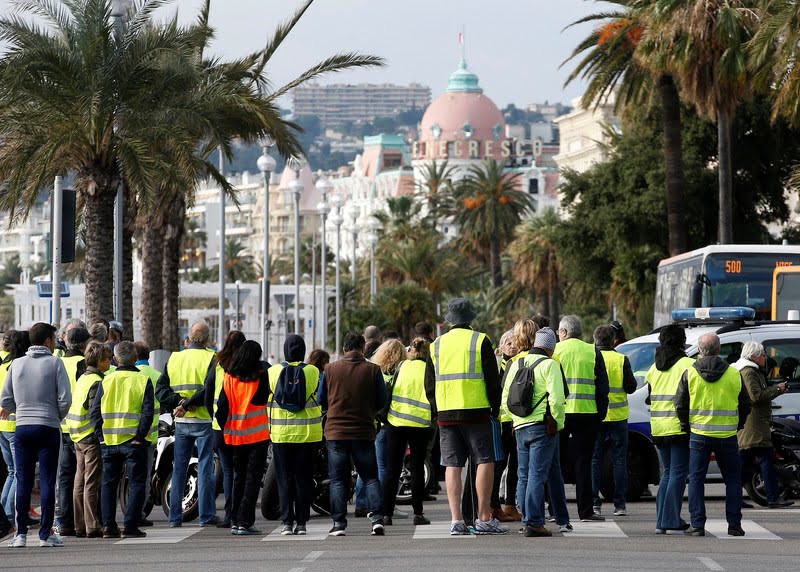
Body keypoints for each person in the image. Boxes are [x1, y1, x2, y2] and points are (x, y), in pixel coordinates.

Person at [428, 298, 506, 535]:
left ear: (449, 320)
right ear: (470, 318)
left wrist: (437, 410)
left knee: (452, 464)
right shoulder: (480, 340)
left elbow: (429, 385)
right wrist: (495, 409)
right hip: (477, 412)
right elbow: (493, 381)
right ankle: (483, 517)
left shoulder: (436, 345)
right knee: (485, 460)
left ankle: (456, 520)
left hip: (446, 413)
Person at [0, 322, 71, 547]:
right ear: (48, 341)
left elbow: (5, 400)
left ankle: (20, 535)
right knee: (49, 481)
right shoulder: (55, 363)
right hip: (48, 426)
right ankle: (45, 534)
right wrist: (54, 415)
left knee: (23, 480)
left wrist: (18, 410)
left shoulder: (17, 364)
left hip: (22, 427)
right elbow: (65, 399)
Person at [675, 332, 751, 537]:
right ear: (719, 350)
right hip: (727, 435)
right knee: (733, 480)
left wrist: (686, 426)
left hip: (699, 434)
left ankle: (698, 525)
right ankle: (734, 525)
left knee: (697, 480)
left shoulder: (690, 373)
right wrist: (738, 424)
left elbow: (680, 404)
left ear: (700, 351)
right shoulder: (734, 374)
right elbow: (746, 404)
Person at [319, 331, 387, 537]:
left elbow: (322, 400)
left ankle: (339, 524)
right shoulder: (373, 370)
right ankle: (376, 519)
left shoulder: (330, 370)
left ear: (344, 349)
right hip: (363, 432)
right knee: (370, 477)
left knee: (338, 480)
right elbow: (382, 400)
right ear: (363, 348)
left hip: (336, 433)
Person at [156, 321, 218, 527]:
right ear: (207, 339)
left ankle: (175, 518)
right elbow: (208, 390)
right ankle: (206, 516)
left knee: (179, 469)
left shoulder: (175, 358)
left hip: (181, 420)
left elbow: (161, 390)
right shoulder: (212, 358)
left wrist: (179, 403)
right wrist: (188, 403)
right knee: (205, 468)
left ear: (189, 338)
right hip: (204, 420)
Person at [90, 341, 153, 539]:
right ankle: (130, 525)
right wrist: (140, 436)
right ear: (135, 358)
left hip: (109, 441)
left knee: (108, 484)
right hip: (133, 442)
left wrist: (101, 437)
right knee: (136, 483)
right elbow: (147, 412)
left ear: (116, 359)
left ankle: (109, 526)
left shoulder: (106, 380)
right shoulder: (143, 380)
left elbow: (94, 413)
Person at [511, 327, 567, 537]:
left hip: (520, 426)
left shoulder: (518, 362)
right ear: (550, 347)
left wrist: (516, 420)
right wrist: (558, 423)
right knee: (537, 475)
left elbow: (507, 397)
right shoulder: (549, 365)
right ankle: (534, 522)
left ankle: (526, 518)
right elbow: (557, 399)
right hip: (542, 427)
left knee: (523, 475)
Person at [553, 315, 609, 522]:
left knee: (555, 464)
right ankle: (585, 511)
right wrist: (600, 415)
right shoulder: (592, 350)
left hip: (560, 414)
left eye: (559, 332)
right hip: (587, 414)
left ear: (565, 333)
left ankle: (554, 511)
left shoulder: (555, 351)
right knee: (583, 464)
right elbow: (603, 387)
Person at [267, 335, 322, 536]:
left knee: (284, 479)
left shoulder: (272, 372)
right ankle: (301, 523)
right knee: (304, 479)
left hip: (281, 434)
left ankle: (286, 523)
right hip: (307, 435)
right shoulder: (313, 371)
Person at [215, 340, 271, 535]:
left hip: (235, 436)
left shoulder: (228, 377)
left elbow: (222, 406)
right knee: (253, 479)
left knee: (238, 478)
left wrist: (224, 429)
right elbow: (264, 398)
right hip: (257, 436)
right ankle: (245, 522)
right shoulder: (260, 377)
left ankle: (235, 520)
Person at [645, 324, 695, 535]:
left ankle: (661, 521)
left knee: (667, 473)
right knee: (678, 473)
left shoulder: (653, 367)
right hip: (679, 425)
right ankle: (671, 520)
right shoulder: (689, 365)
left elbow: (649, 395)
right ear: (682, 341)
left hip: (658, 425)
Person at [734, 342, 793, 508]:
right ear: (753, 356)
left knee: (745, 463)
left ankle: (736, 498)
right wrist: (777, 389)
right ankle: (773, 497)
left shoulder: (750, 371)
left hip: (753, 424)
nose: (765, 358)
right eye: (762, 355)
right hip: (754, 424)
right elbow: (756, 396)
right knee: (766, 459)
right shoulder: (748, 372)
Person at [382, 337, 434, 526]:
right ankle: (418, 513)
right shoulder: (429, 369)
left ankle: (386, 514)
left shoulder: (402, 365)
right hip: (420, 424)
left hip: (396, 421)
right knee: (417, 468)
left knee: (392, 469)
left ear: (411, 350)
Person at [355, 338, 406, 519]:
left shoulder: (374, 372)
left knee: (367, 466)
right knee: (385, 467)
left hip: (372, 423)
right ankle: (384, 506)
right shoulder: (399, 374)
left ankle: (361, 503)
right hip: (388, 424)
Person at [591, 325, 638, 517]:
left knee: (594, 460)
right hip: (618, 417)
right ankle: (620, 504)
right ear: (613, 341)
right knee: (620, 461)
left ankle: (595, 503)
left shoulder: (592, 358)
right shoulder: (621, 359)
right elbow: (631, 387)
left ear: (595, 341)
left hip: (597, 416)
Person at [67, 341, 112, 539]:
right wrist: (101, 437)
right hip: (90, 437)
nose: (111, 361)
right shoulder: (96, 381)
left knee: (80, 481)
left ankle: (80, 525)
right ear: (100, 361)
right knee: (91, 483)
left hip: (76, 434)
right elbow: (95, 412)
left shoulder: (83, 378)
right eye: (108, 358)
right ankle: (92, 526)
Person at [203, 331, 246, 529]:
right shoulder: (246, 366)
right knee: (240, 472)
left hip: (219, 426)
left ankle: (229, 515)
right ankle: (239, 513)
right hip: (242, 426)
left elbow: (208, 392)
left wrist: (213, 416)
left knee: (228, 471)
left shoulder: (219, 365)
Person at [498, 320, 539, 522]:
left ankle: (510, 504)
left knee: (515, 465)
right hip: (506, 420)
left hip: (514, 420)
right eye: (507, 342)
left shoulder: (517, 362)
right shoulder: (504, 364)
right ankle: (499, 504)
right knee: (503, 464)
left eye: (513, 341)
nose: (511, 345)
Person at [55, 326, 90, 536]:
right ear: (85, 344)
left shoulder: (57, 362)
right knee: (85, 477)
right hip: (82, 427)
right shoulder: (83, 364)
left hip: (61, 426)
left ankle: (66, 522)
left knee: (66, 476)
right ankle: (84, 521)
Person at [0, 330, 31, 528]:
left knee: (12, 471)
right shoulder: (18, 366)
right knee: (19, 472)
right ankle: (10, 515)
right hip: (14, 423)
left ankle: (5, 513)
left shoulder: (3, 364)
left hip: (2, 425)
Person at [132, 341, 162, 528]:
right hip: (149, 435)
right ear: (148, 357)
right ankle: (139, 512)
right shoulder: (157, 375)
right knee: (142, 476)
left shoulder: (119, 375)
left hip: (118, 434)